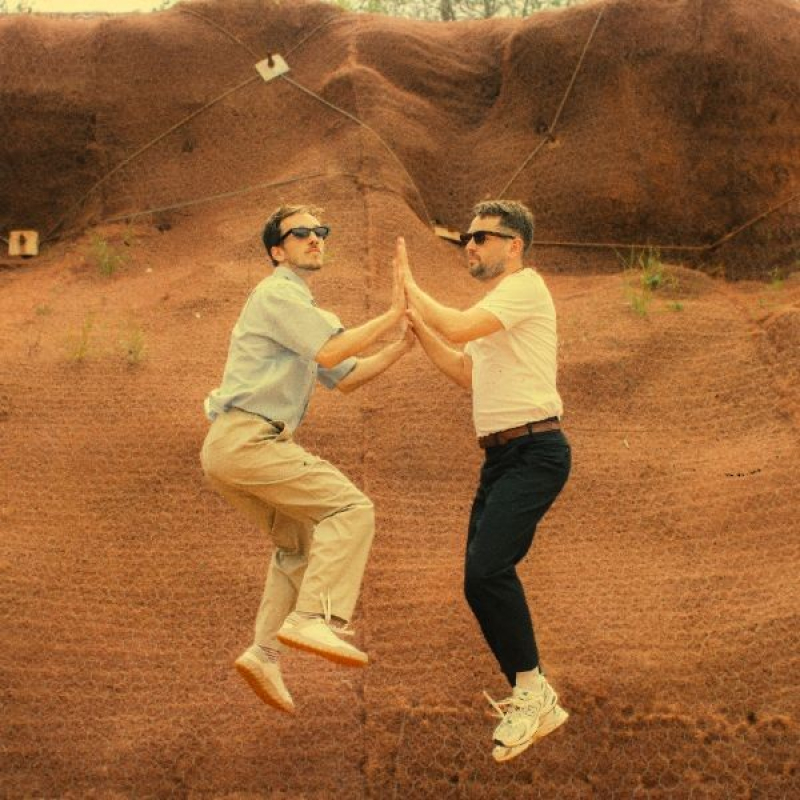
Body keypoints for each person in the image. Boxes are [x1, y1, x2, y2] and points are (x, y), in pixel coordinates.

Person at [201, 204, 412, 714]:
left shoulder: (299, 310)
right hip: (249, 441)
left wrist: (403, 345)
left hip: (234, 449)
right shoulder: (278, 294)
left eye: (321, 231)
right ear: (278, 251)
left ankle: (264, 653)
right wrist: (392, 312)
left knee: (297, 545)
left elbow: (349, 374)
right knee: (350, 509)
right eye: (301, 233)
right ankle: (314, 618)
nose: (315, 238)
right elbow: (332, 351)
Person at [400, 199, 571, 762]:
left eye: (481, 238)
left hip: (536, 451)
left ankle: (533, 694)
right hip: (501, 458)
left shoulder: (525, 288)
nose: (469, 246)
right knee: (478, 581)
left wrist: (410, 289)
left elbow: (456, 324)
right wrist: (419, 329)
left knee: (487, 569)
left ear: (514, 246)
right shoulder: (498, 306)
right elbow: (465, 370)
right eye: (467, 239)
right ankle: (533, 694)